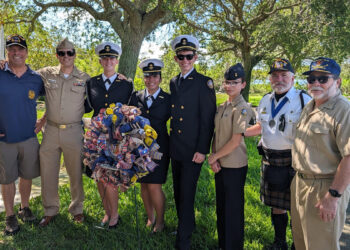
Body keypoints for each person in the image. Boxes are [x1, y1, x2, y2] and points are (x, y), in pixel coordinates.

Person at [245, 58, 311, 249]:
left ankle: (297, 244)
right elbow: (261, 126)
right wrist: (238, 133)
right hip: (271, 161)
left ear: (292, 78)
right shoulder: (266, 99)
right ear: (270, 79)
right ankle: (279, 242)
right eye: (275, 76)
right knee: (277, 206)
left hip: (294, 162)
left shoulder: (304, 100)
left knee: (297, 208)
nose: (279, 79)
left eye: (284, 75)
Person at [291, 57, 350, 250]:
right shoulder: (310, 105)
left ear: (337, 81)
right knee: (302, 244)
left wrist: (333, 196)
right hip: (300, 183)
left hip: (324, 188)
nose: (316, 83)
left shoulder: (343, 110)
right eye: (311, 78)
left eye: (323, 79)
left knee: (321, 246)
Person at [169, 35, 216, 250]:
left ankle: (184, 241)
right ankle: (187, 225)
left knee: (187, 193)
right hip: (176, 147)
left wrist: (202, 150)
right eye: (181, 56)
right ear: (176, 58)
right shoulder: (174, 82)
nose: (185, 60)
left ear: (195, 57)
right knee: (178, 191)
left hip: (193, 150)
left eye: (189, 56)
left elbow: (207, 120)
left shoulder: (203, 83)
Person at [36, 38, 90, 226]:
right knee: (48, 171)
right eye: (61, 53)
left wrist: (124, 78)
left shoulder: (85, 78)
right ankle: (50, 209)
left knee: (75, 171)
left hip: (74, 131)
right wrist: (5, 63)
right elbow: (24, 73)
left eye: (69, 52)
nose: (65, 56)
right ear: (57, 55)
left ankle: (77, 209)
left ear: (75, 54)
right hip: (50, 130)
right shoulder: (45, 74)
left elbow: (101, 90)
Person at [85, 41, 133, 228]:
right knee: (98, 175)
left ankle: (114, 217)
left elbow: (131, 110)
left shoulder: (126, 84)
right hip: (96, 137)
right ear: (100, 61)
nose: (108, 61)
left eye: (112, 58)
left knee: (110, 177)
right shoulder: (92, 83)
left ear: (117, 60)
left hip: (116, 138)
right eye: (105, 58)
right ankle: (107, 213)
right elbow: (86, 107)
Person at [0, 35, 44, 235]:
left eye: (19, 49)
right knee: (7, 178)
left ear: (26, 52)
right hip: (4, 139)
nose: (16, 52)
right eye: (11, 49)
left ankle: (24, 207)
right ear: (7, 52)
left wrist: (42, 121)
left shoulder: (36, 78)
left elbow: (55, 98)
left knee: (27, 175)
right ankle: (10, 215)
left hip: (28, 137)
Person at [208, 63, 253, 250]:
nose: (229, 86)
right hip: (220, 164)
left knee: (233, 211)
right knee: (222, 208)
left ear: (243, 84)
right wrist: (214, 157)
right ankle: (222, 244)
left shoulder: (242, 108)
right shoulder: (222, 106)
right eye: (227, 82)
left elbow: (235, 141)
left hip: (234, 166)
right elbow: (216, 134)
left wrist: (214, 157)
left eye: (234, 82)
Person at [129, 59, 170, 233]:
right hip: (139, 149)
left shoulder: (167, 99)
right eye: (147, 76)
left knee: (154, 185)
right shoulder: (135, 97)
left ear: (160, 78)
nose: (151, 79)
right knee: (144, 184)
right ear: (144, 78)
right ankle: (150, 217)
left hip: (159, 149)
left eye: (154, 76)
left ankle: (160, 222)